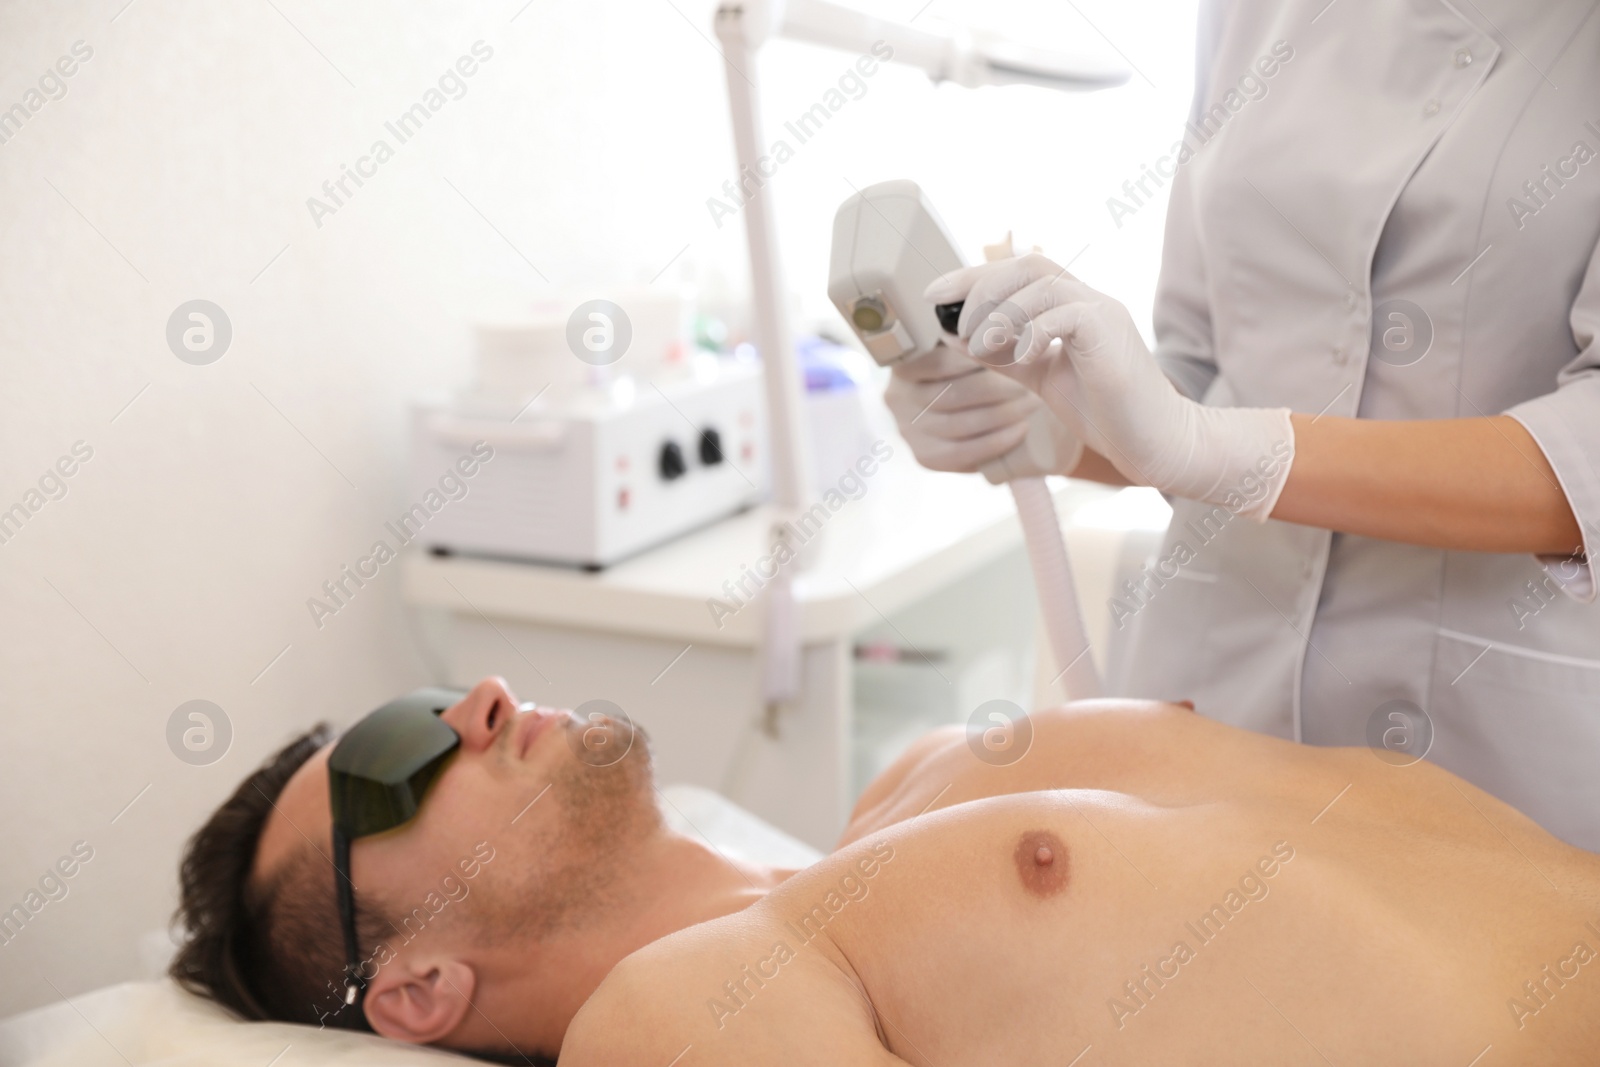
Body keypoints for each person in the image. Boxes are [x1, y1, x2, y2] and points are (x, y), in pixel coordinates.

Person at [885, 0, 1600, 851]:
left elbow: (1584, 450)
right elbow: (1193, 374)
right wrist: (1049, 423)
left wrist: (1210, 448)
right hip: (1208, 677)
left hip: (1480, 728)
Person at [172, 678, 1600, 1064]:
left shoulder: (910, 784)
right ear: (414, 984)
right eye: (391, 757)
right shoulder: (676, 1012)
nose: (474, 699)